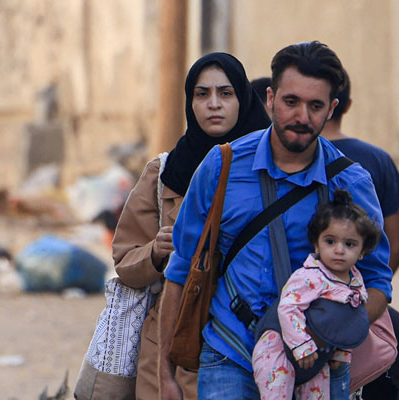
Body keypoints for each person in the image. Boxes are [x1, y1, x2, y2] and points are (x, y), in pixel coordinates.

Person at [158, 40, 393, 400]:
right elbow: (180, 270)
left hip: (320, 365)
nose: (302, 117)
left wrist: (334, 332)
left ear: (331, 109)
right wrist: (166, 376)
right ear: (269, 99)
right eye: (290, 102)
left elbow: (377, 282)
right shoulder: (222, 166)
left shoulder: (351, 182)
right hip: (230, 352)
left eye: (315, 106)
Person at [78, 52, 269, 400]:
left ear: (243, 98)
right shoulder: (165, 173)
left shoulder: (268, 172)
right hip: (169, 346)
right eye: (202, 94)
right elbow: (124, 259)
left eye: (226, 94)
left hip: (246, 341)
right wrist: (155, 252)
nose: (214, 104)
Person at [252, 189, 381, 399]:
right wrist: (301, 344)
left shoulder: (356, 283)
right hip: (279, 350)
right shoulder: (310, 276)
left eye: (349, 244)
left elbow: (347, 322)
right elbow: (288, 307)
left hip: (318, 356)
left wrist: (342, 353)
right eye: (330, 241)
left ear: (362, 251)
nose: (339, 250)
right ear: (316, 244)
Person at [319, 74, 399, 399]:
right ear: (345, 106)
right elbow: (393, 241)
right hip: (363, 309)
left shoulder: (289, 162)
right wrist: (364, 293)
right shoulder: (378, 160)